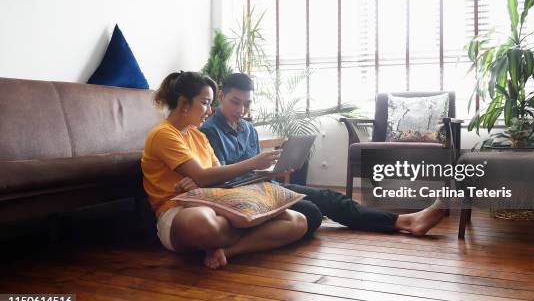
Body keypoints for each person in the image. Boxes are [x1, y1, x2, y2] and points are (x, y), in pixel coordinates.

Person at [200, 73, 445, 238]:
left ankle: (405, 221)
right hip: (246, 198)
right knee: (313, 212)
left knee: (329, 197)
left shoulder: (248, 129)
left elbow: (254, 173)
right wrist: (257, 166)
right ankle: (403, 222)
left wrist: (276, 170)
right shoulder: (209, 131)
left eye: (247, 104)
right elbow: (222, 180)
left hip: (266, 188)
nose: (241, 110)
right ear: (220, 96)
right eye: (235, 102)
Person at [141, 71, 308, 269]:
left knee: (298, 221)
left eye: (210, 104)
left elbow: (217, 176)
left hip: (212, 201)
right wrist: (252, 163)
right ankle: (256, 226)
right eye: (204, 102)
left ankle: (227, 251)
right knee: (204, 223)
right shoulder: (163, 134)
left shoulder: (198, 135)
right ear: (184, 102)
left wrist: (201, 180)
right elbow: (204, 175)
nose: (210, 111)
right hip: (177, 210)